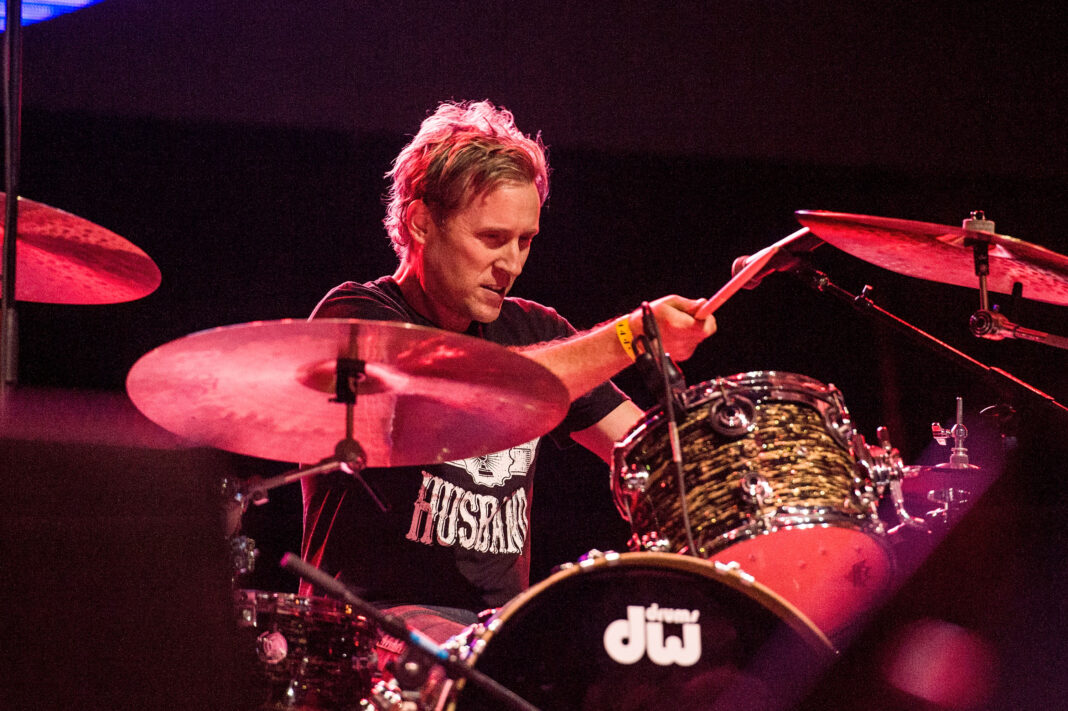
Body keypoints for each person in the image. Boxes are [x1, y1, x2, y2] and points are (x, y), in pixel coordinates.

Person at [299, 100, 716, 644]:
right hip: (366, 633)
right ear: (421, 222)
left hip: (498, 639)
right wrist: (630, 336)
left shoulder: (531, 327)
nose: (513, 265)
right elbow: (470, 389)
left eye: (525, 241)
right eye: (492, 238)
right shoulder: (357, 317)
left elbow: (647, 451)